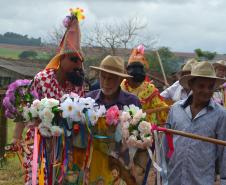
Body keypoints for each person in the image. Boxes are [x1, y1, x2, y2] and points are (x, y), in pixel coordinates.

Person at [11, 10, 86, 184]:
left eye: (80, 61)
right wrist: (16, 138)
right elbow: (24, 108)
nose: (78, 65)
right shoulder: (41, 79)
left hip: (66, 148)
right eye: (74, 60)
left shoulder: (78, 85)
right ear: (62, 59)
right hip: (38, 145)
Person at [164, 61, 226, 185]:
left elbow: (224, 153)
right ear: (191, 85)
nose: (206, 91)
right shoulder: (175, 109)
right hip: (173, 179)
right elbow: (167, 144)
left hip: (202, 180)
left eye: (210, 87)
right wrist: (163, 174)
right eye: (201, 86)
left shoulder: (220, 115)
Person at [86, 55, 141, 185]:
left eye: (111, 78)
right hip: (93, 166)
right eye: (103, 77)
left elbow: (138, 137)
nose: (106, 82)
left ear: (121, 79)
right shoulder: (89, 100)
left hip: (120, 169)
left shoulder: (132, 102)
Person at [121, 45, 168, 184]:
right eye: (131, 79)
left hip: (144, 138)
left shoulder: (150, 90)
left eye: (137, 80)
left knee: (139, 172)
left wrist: (151, 115)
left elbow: (163, 109)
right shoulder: (120, 87)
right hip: (122, 136)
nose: (134, 83)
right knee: (121, 169)